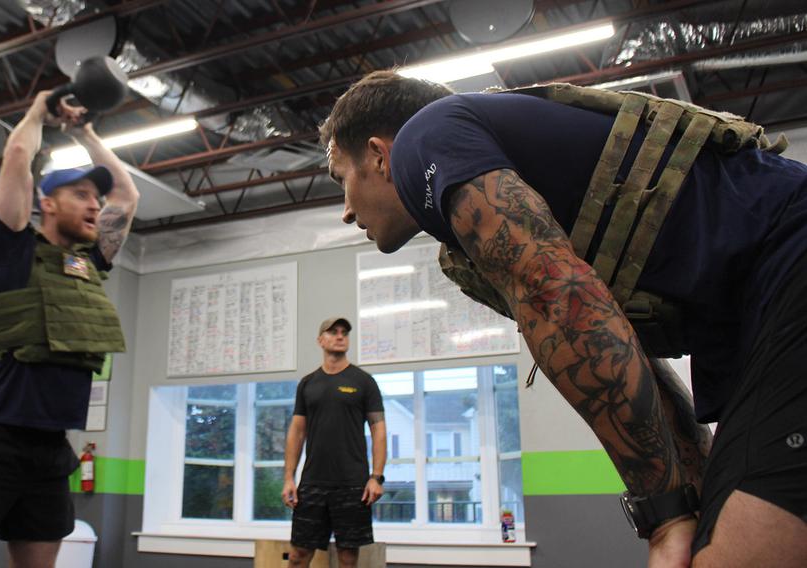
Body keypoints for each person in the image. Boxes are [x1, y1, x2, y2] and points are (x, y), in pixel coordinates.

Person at [319, 70, 807, 568]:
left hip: (788, 261)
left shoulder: (425, 136)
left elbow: (556, 299)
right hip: (754, 322)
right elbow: (614, 341)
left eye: (342, 180)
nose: (345, 211)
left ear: (380, 155)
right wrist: (685, 496)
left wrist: (664, 516)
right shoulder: (464, 240)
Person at [0, 90, 139, 568]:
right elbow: (19, 155)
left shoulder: (89, 263)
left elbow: (128, 195)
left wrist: (86, 134)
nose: (94, 205)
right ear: (47, 203)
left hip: (51, 448)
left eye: (94, 198)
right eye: (80, 194)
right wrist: (40, 111)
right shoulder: (12, 250)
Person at [282, 317, 386, 568]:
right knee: (297, 557)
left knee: (348, 559)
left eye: (344, 333)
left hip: (353, 485)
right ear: (321, 340)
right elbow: (297, 432)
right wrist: (288, 477)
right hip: (313, 483)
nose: (340, 336)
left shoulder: (364, 382)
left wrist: (377, 477)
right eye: (333, 332)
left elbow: (379, 430)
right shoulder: (307, 384)